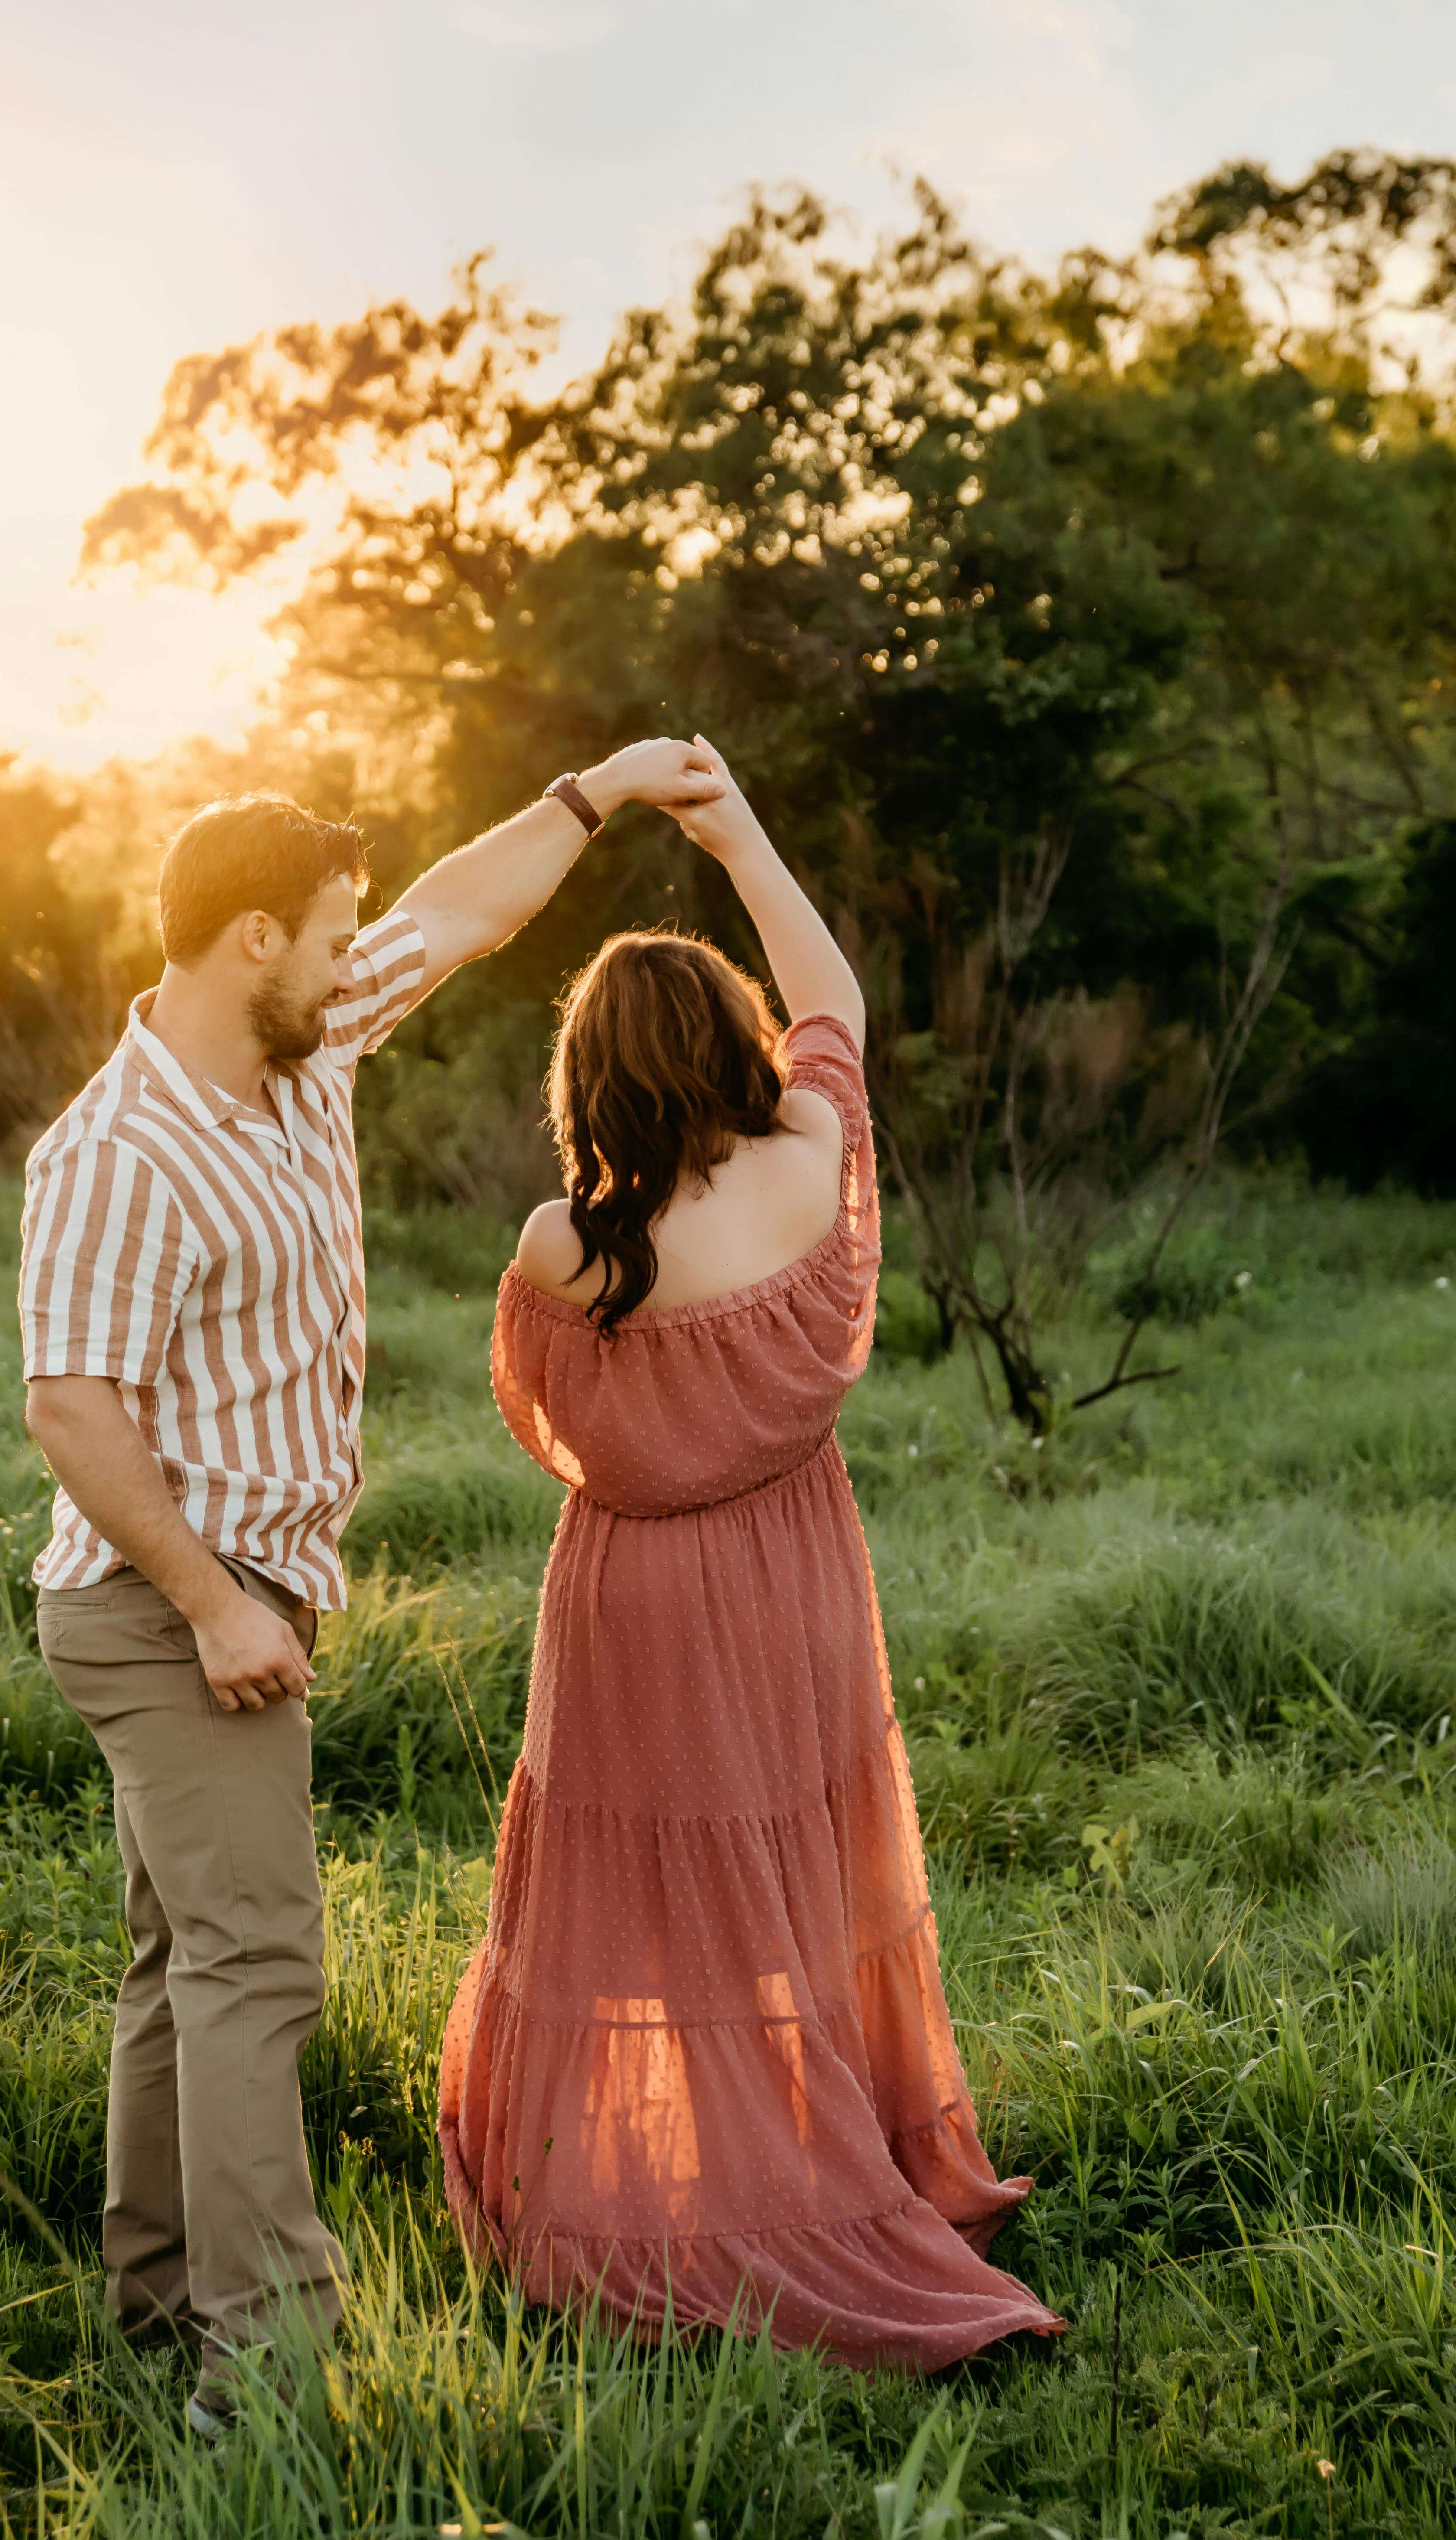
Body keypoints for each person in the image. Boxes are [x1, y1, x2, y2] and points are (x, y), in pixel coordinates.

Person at [19, 742, 728, 2428]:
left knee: (174, 1957)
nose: (358, 965)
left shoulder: (306, 1035)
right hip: (165, 1605)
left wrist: (594, 793)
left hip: (242, 1586)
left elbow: (455, 915)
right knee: (257, 1964)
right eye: (331, 939)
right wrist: (214, 1604)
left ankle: (147, 2287)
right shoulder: (116, 1151)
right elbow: (72, 1407)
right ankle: (260, 2368)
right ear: (251, 937)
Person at [436, 743, 1067, 2370]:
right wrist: (736, 832)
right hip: (799, 1570)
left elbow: (550, 1424)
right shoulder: (807, 1166)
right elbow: (832, 999)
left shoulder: (565, 1244)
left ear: (588, 1079)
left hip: (633, 1597)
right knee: (792, 1856)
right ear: (726, 1046)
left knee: (638, 1887)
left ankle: (662, 2188)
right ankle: (815, 2157)